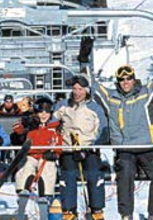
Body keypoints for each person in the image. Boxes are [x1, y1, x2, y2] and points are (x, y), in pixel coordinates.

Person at [78, 35, 153, 220]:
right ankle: (126, 215)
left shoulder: (146, 94)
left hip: (146, 147)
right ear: (118, 82)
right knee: (125, 174)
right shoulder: (111, 98)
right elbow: (92, 86)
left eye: (129, 79)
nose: (125, 82)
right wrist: (84, 61)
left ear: (134, 79)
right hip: (124, 149)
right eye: (122, 79)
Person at [54, 74, 106, 220]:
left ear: (87, 90)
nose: (77, 92)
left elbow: (103, 130)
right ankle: (69, 211)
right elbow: (52, 123)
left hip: (88, 148)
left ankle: (96, 209)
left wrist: (92, 146)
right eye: (75, 89)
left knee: (93, 172)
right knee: (69, 173)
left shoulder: (95, 108)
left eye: (80, 89)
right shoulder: (63, 105)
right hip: (69, 148)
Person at [12, 97, 62, 220]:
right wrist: (25, 122)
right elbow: (17, 129)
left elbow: (59, 142)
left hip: (46, 156)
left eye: (47, 111)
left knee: (48, 169)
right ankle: (22, 194)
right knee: (26, 167)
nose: (44, 114)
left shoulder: (55, 126)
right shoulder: (31, 123)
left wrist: (55, 153)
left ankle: (45, 198)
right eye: (41, 112)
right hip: (31, 154)